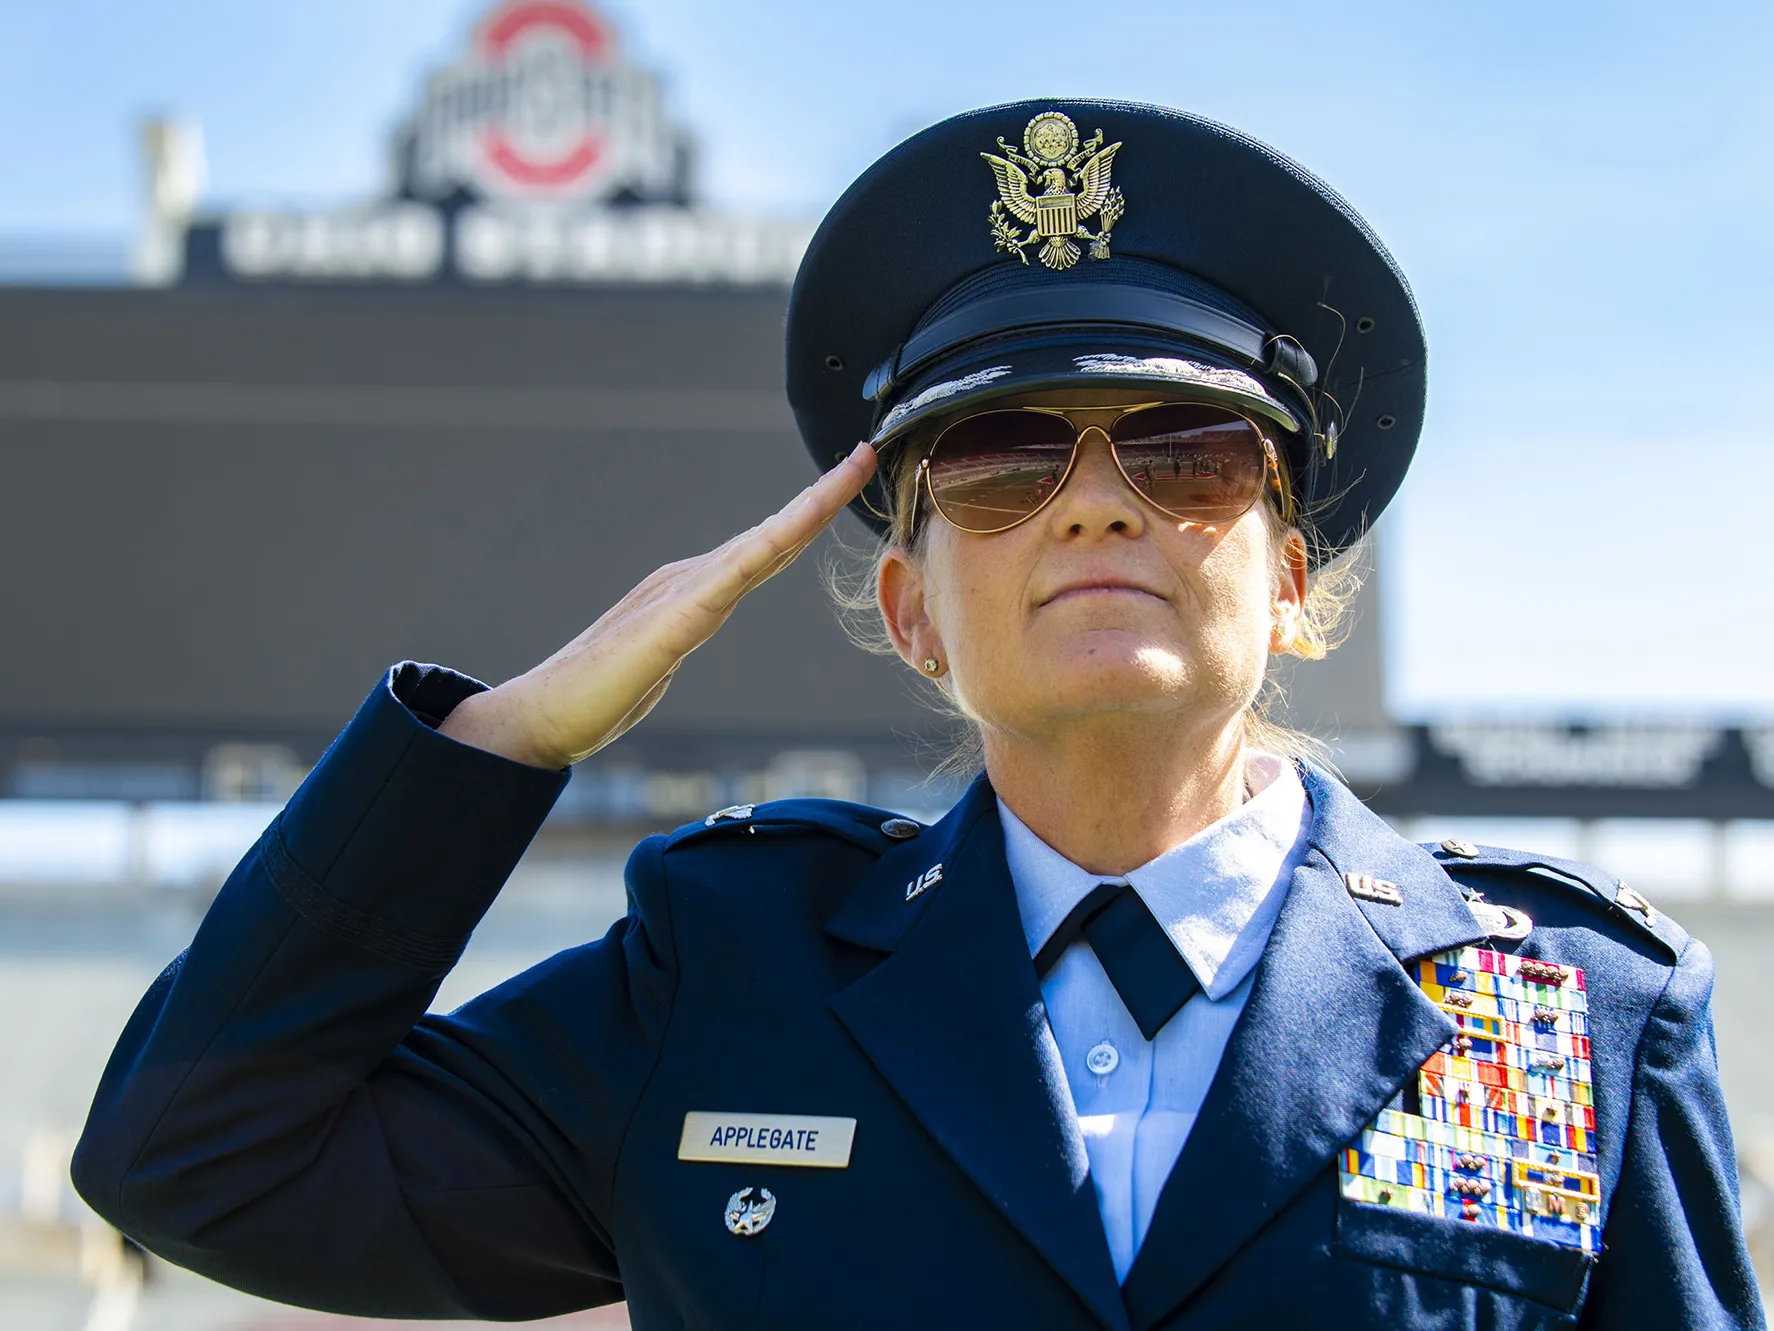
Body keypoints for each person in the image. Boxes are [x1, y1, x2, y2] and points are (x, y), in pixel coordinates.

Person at [71, 100, 1761, 1329]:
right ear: (908, 611)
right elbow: (193, 1153)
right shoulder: (724, 977)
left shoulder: (1570, 1016)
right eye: (1008, 460)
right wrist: (504, 738)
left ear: (1301, 580)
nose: (1098, 508)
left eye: (1183, 452)